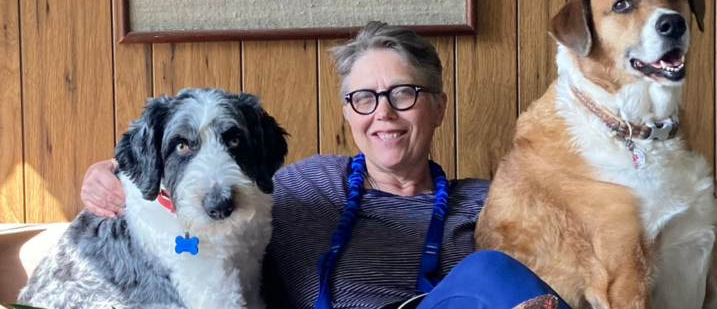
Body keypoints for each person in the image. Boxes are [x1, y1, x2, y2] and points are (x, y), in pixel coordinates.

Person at [80, 21, 572, 309]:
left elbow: (570, 265)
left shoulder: (491, 201)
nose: (383, 113)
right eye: (363, 98)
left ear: (439, 106)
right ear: (347, 114)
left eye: (404, 93)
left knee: (491, 271)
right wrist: (112, 172)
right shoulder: (304, 185)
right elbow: (206, 182)